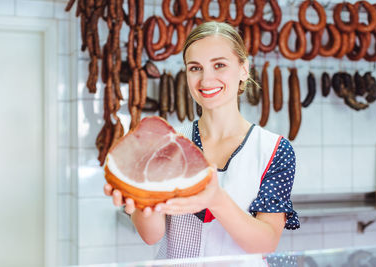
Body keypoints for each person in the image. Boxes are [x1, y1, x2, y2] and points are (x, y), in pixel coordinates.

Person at [104, 21, 300, 259]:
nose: (206, 80)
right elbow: (151, 236)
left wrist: (216, 200)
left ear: (243, 69)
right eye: (195, 68)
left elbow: (266, 242)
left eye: (219, 65)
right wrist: (140, 197)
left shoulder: (273, 150)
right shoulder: (169, 143)